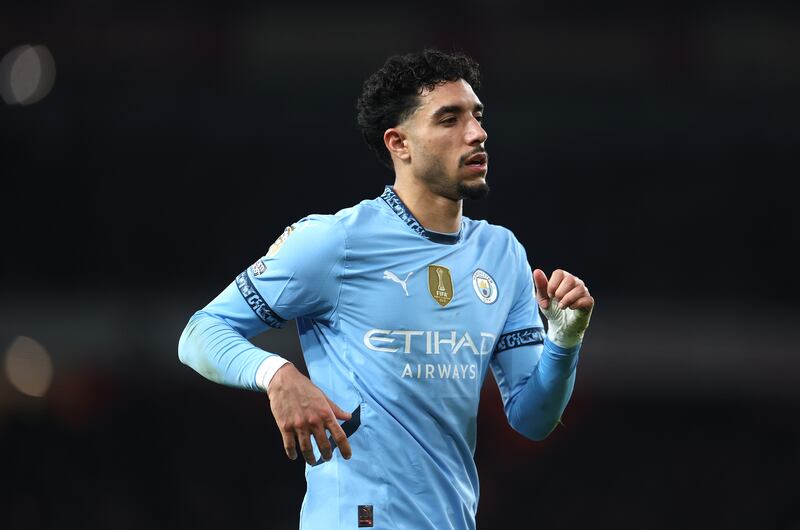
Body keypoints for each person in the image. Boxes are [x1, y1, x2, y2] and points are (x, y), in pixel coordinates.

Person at [178, 49, 594, 530]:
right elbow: (201, 331)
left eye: (477, 117)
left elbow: (531, 419)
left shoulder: (502, 254)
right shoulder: (335, 241)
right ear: (400, 143)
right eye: (449, 119)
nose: (477, 133)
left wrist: (563, 341)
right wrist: (278, 375)